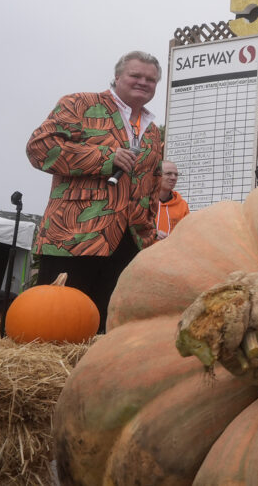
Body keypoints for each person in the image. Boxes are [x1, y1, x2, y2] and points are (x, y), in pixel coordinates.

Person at [26, 51, 163, 333]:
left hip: (130, 242)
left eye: (150, 79)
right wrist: (104, 158)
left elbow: (153, 184)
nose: (143, 82)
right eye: (135, 75)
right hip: (75, 235)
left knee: (108, 330)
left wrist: (149, 236)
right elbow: (39, 150)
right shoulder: (80, 104)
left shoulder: (152, 131)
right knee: (56, 326)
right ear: (117, 77)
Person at [155, 160, 189, 240]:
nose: (173, 178)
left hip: (172, 251)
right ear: (157, 176)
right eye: (168, 174)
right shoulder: (143, 202)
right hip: (145, 251)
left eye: (176, 175)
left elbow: (187, 233)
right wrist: (152, 234)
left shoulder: (182, 205)